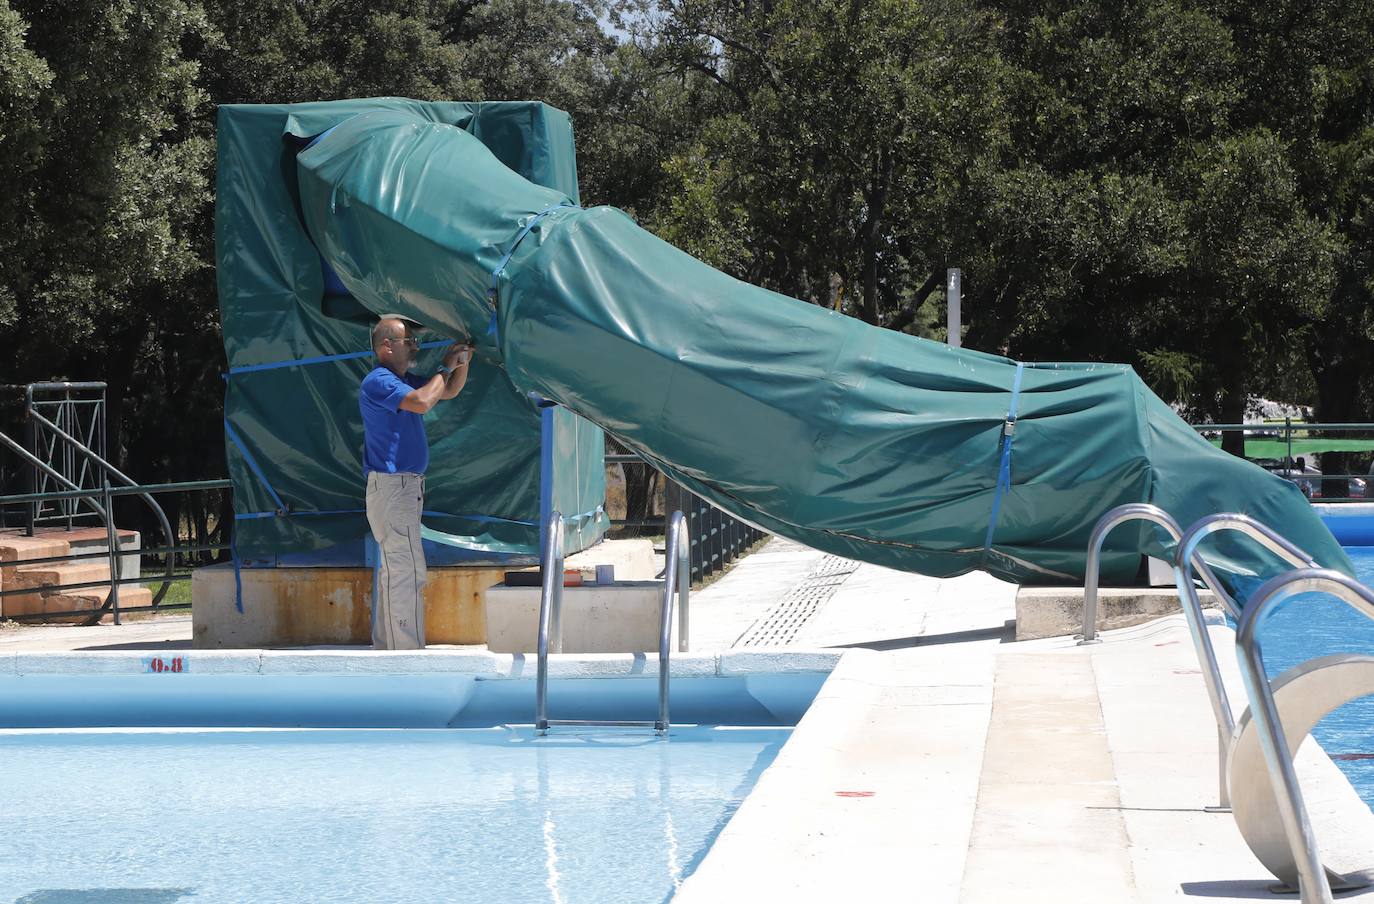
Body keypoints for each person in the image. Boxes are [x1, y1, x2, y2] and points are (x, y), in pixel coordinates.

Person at [359, 316, 472, 650]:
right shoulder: (379, 381)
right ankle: (404, 655)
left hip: (398, 488)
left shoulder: (402, 381)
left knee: (397, 570)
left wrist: (462, 361)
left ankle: (389, 650)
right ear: (386, 346)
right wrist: (444, 365)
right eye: (409, 341)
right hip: (395, 488)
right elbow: (423, 402)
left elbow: (447, 390)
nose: (415, 347)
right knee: (405, 572)